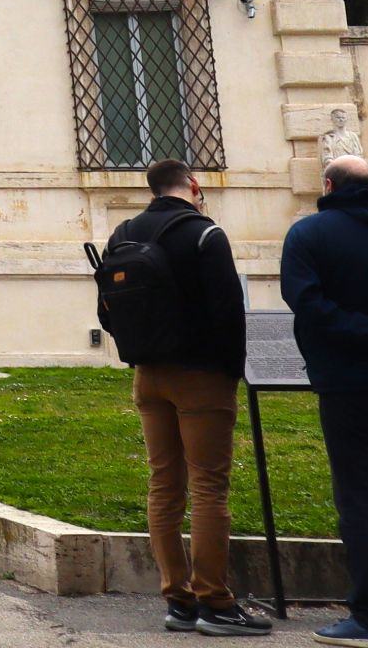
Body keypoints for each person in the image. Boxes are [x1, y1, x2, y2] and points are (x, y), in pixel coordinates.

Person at [101, 157, 262, 636]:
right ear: (193, 184)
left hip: (148, 375)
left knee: (163, 485)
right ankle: (215, 600)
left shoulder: (123, 233)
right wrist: (232, 372)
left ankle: (178, 600)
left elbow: (108, 311)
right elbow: (229, 311)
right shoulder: (205, 234)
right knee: (210, 486)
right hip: (202, 375)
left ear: (151, 189)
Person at [282, 154, 368, 644]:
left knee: (360, 504)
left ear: (329, 184)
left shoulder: (308, 235)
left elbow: (307, 303)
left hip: (348, 387)